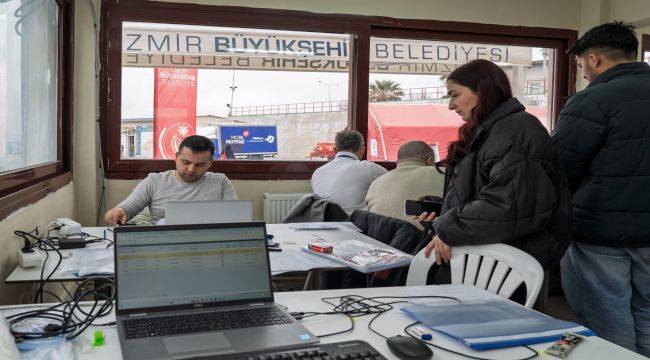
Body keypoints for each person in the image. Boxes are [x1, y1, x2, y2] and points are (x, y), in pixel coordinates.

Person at [552, 22, 650, 356]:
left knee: (606, 320)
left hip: (601, 233)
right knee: (648, 315)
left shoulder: (591, 100)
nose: (582, 74)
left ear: (593, 60)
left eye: (580, 66)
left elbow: (561, 167)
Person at [417, 59, 571, 272]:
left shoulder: (515, 132)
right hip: (488, 254)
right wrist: (442, 215)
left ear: (482, 91)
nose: (451, 105)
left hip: (511, 260)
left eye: (455, 95)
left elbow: (507, 206)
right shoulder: (492, 130)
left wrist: (447, 227)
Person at [104, 135, 237, 225]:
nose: (191, 169)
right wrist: (120, 211)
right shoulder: (154, 181)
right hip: (165, 244)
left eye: (199, 165)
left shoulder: (220, 182)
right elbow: (130, 205)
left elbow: (236, 218)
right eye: (186, 162)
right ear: (176, 157)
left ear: (210, 163)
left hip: (209, 243)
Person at [365, 141, 443, 229]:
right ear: (430, 161)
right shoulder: (444, 174)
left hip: (380, 241)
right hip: (426, 241)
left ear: (397, 162)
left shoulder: (376, 183)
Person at [311, 130, 387, 214]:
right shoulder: (368, 168)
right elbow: (393, 179)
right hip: (354, 225)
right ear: (362, 150)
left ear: (335, 150)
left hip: (324, 224)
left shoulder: (317, 172)